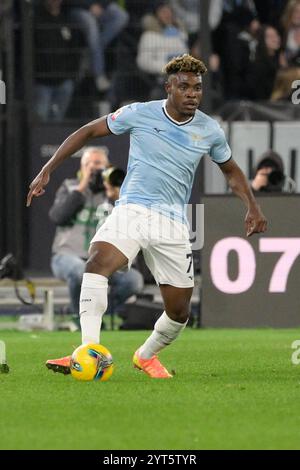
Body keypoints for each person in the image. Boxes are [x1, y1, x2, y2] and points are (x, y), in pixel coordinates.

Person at [27, 54, 267, 379]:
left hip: (173, 223)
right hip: (132, 209)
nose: (192, 94)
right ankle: (88, 351)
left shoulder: (209, 130)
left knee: (179, 311)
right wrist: (47, 169)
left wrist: (251, 205)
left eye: (197, 88)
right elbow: (87, 132)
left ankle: (145, 355)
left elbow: (232, 170)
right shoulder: (140, 113)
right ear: (169, 87)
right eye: (184, 87)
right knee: (97, 263)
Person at [49, 148, 143, 317]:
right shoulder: (70, 187)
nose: (93, 167)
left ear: (108, 167)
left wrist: (116, 198)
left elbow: (133, 225)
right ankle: (79, 318)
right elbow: (58, 216)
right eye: (88, 164)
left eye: (98, 163)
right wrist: (82, 187)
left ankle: (95, 315)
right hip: (68, 256)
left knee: (133, 281)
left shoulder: (118, 193)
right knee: (80, 272)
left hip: (104, 259)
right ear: (81, 167)